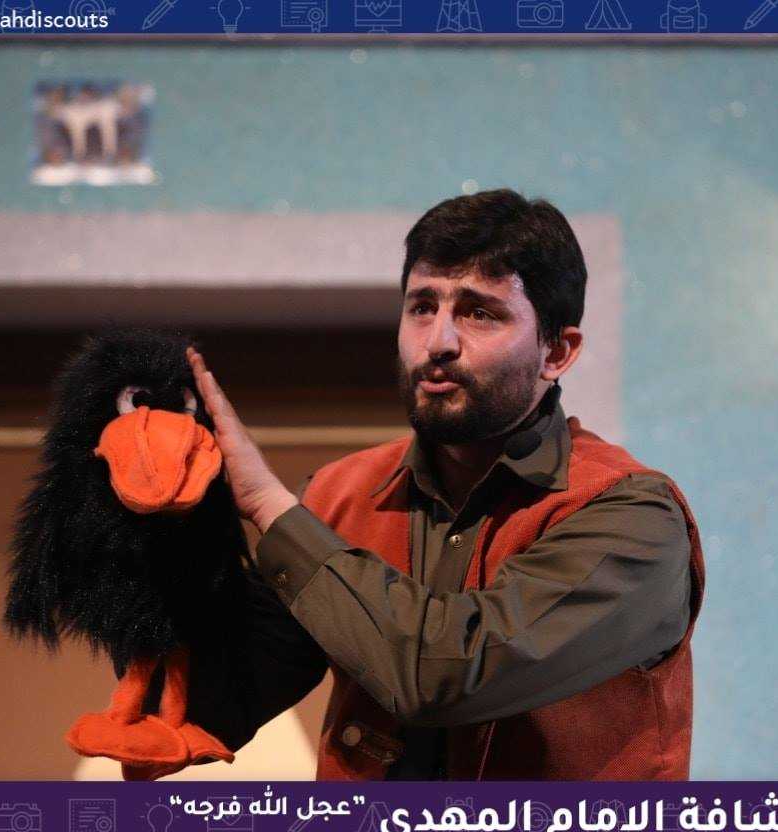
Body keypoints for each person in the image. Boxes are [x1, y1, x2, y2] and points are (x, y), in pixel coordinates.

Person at [161, 188, 706, 780]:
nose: (439, 341)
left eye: (480, 313)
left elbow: (446, 675)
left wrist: (269, 505)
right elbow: (212, 701)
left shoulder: (630, 515)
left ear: (557, 351)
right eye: (422, 307)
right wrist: (153, 523)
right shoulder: (342, 493)